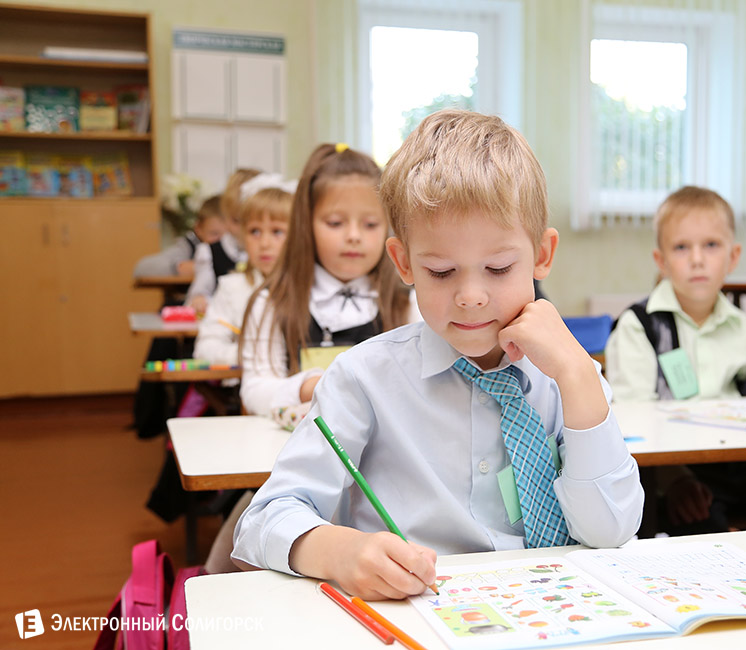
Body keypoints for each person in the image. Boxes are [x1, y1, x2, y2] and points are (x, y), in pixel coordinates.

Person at [232, 110, 643, 599]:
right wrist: (339, 551)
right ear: (403, 263)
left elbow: (610, 530)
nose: (470, 297)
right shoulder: (364, 379)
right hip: (415, 613)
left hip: (555, 610)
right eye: (442, 272)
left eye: (498, 267)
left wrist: (578, 375)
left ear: (542, 255)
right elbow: (264, 519)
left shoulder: (568, 377)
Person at [605, 186, 746, 536]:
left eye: (711, 245)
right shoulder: (639, 327)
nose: (697, 259)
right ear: (661, 261)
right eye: (682, 247)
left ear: (733, 256)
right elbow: (631, 421)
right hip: (675, 469)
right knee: (701, 518)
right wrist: (674, 479)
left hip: (745, 464)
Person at [238, 143, 416, 417]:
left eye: (370, 224)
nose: (354, 236)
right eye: (335, 223)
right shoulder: (273, 300)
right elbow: (255, 390)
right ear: (306, 224)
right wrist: (313, 386)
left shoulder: (406, 300)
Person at [193, 174, 295, 366]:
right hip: (244, 383)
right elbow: (205, 349)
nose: (264, 243)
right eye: (254, 231)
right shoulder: (231, 287)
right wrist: (250, 354)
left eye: (277, 231)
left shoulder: (314, 287)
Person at [185, 168, 261, 314]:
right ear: (225, 215)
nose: (243, 229)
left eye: (253, 223)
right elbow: (198, 295)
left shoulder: (277, 252)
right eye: (237, 221)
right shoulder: (210, 252)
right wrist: (199, 300)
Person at [133, 194, 225, 278]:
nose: (222, 240)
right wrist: (189, 268)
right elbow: (141, 268)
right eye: (214, 234)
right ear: (198, 229)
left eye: (228, 235)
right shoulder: (188, 247)